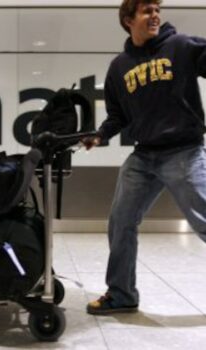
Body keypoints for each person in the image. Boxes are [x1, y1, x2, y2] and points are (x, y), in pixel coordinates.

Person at [82, 0, 206, 315]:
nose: (155, 16)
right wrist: (101, 135)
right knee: (121, 221)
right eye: (146, 11)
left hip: (184, 151)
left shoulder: (179, 45)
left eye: (156, 10)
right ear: (128, 20)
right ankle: (121, 293)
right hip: (144, 156)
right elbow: (117, 115)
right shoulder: (119, 66)